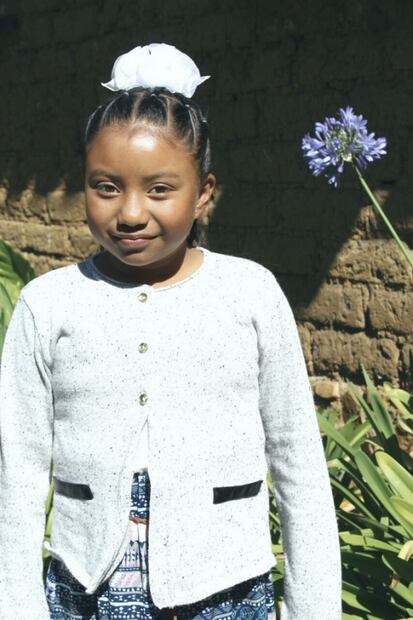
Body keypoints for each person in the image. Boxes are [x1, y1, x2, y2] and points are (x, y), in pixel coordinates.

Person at [0, 43, 342, 619]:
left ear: (204, 192)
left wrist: (313, 610)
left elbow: (299, 467)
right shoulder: (48, 304)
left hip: (228, 591)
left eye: (160, 189)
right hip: (84, 593)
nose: (131, 212)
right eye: (105, 186)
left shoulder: (250, 294)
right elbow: (17, 473)